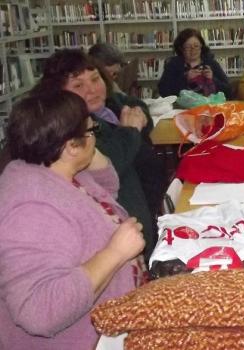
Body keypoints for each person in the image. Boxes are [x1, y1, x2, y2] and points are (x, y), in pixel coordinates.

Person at [0, 91, 145, 349]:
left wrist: (81, 141)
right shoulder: (31, 209)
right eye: (92, 131)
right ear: (70, 146)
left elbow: (108, 183)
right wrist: (116, 253)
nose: (95, 137)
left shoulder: (54, 167)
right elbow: (39, 312)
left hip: (113, 329)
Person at [31, 49, 163, 263]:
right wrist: (130, 131)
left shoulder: (105, 108)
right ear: (59, 93)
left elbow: (136, 107)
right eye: (78, 85)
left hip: (140, 225)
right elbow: (107, 165)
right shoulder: (69, 129)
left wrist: (134, 126)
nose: (91, 90)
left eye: (95, 79)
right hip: (118, 240)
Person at [158, 28, 231, 98]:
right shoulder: (173, 64)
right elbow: (163, 91)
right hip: (180, 108)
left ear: (201, 46)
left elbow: (228, 91)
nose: (193, 50)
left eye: (196, 46)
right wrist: (185, 79)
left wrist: (213, 79)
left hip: (209, 106)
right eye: (188, 47)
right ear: (181, 48)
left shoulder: (211, 63)